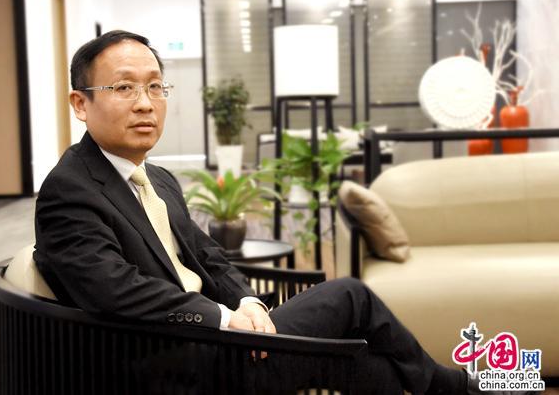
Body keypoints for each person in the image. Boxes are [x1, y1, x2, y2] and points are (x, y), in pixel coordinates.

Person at [33, 30, 529, 395]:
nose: (146, 103)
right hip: (175, 364)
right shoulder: (70, 190)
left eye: (156, 87)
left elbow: (209, 258)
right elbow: (116, 291)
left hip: (218, 345)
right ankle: (451, 387)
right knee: (350, 297)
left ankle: (447, 388)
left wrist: (249, 303)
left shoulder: (157, 178)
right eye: (124, 88)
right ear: (81, 103)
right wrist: (224, 320)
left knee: (372, 370)